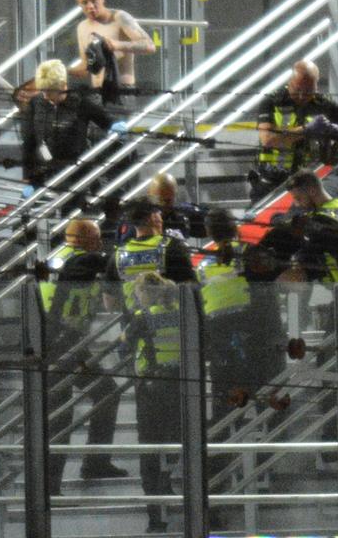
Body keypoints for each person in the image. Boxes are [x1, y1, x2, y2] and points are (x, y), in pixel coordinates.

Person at [41, 219, 126, 493]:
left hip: (68, 341)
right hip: (58, 345)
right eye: (97, 238)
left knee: (106, 392)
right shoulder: (77, 261)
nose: (100, 243)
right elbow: (102, 263)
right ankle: (51, 484)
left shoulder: (59, 258)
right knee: (61, 415)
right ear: (84, 240)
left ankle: (95, 462)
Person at [196, 209, 285, 427]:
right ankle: (274, 455)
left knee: (226, 407)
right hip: (259, 338)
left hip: (222, 344)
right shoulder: (252, 252)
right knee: (270, 404)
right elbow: (272, 288)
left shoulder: (202, 265)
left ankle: (224, 456)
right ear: (235, 226)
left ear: (209, 232)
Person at [120, 272, 181, 533]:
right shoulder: (182, 312)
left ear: (144, 294)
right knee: (176, 440)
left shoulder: (142, 318)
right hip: (180, 386)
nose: (136, 298)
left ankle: (156, 517)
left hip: (151, 389)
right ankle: (168, 480)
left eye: (137, 293)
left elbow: (123, 348)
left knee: (149, 450)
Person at [20, 59, 128, 199]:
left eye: (50, 91)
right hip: (44, 171)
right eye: (43, 91)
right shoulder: (36, 103)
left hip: (75, 171)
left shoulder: (80, 102)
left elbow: (104, 119)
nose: (45, 96)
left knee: (71, 208)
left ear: (63, 86)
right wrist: (28, 176)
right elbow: (29, 141)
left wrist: (115, 125)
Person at [250, 59, 338, 204]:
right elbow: (268, 139)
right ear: (290, 82)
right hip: (271, 182)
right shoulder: (271, 102)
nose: (302, 96)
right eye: (298, 90)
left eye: (309, 91)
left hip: (305, 184)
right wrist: (306, 130)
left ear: (316, 85)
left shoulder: (323, 104)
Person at [104, 197, 195, 320]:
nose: (161, 217)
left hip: (136, 330)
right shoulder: (173, 247)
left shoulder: (117, 256)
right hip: (172, 328)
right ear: (152, 217)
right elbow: (190, 290)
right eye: (158, 213)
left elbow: (110, 304)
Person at [68, 0, 156, 93]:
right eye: (85, 2)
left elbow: (150, 45)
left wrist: (117, 45)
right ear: (79, 3)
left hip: (122, 90)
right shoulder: (82, 27)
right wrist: (62, 71)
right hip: (97, 92)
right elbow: (85, 67)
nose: (90, 6)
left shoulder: (119, 18)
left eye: (94, 0)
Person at [145, 172, 208, 241]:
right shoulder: (140, 218)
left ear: (174, 195)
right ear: (149, 194)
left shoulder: (183, 214)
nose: (162, 205)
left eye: (167, 201)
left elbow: (211, 223)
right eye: (158, 200)